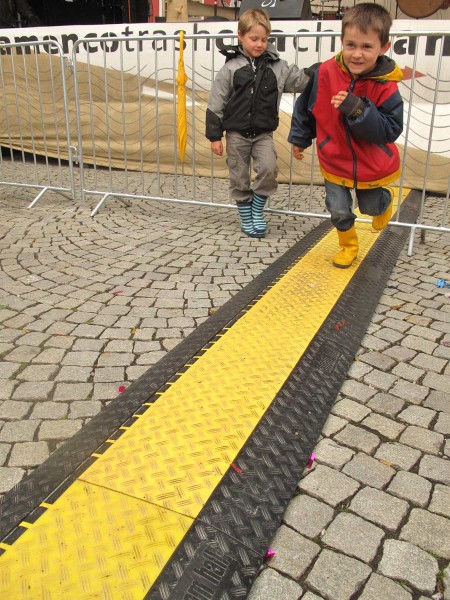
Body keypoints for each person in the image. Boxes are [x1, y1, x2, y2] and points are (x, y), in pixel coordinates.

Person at [288, 2, 403, 268]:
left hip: (371, 163)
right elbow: (306, 108)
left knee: (371, 208)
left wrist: (358, 110)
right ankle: (348, 245)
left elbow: (391, 129)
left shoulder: (387, 86)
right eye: (351, 45)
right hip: (334, 157)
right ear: (342, 41)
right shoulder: (324, 72)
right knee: (338, 208)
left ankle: (384, 203)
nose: (357, 54)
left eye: (366, 47)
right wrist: (300, 138)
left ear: (383, 47)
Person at [205, 8, 312, 238]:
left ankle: (256, 211)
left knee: (269, 168)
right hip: (236, 134)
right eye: (254, 39)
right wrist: (215, 136)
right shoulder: (230, 69)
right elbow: (216, 103)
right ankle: (246, 217)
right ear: (241, 36)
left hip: (263, 134)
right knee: (239, 175)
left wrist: (324, 71)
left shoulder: (278, 67)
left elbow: (301, 79)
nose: (260, 44)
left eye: (264, 39)